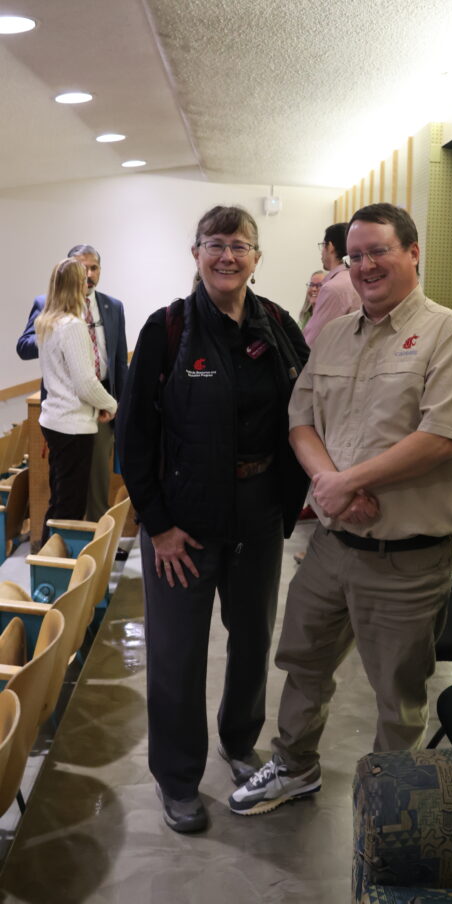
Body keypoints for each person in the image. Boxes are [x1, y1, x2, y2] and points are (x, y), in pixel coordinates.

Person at [229, 202, 452, 816]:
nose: (365, 265)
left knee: (396, 696)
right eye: (355, 255)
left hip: (406, 560)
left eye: (379, 251)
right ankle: (294, 766)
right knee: (303, 664)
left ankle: (392, 807)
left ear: (413, 253)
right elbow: (301, 416)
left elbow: (442, 435)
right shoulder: (338, 331)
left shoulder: (451, 333)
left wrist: (347, 482)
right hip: (333, 547)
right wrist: (331, 483)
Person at [116, 205, 309, 835]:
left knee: (253, 639)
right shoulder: (167, 330)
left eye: (240, 246)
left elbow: (307, 413)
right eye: (215, 244)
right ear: (195, 253)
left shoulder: (279, 327)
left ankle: (238, 739)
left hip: (258, 515)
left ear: (258, 257)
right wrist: (158, 525)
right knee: (176, 655)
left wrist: (291, 500)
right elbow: (134, 438)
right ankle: (177, 780)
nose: (228, 256)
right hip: (182, 525)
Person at [17, 244, 128, 521]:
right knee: (69, 497)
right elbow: (25, 347)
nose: (88, 275)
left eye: (93, 268)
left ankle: (91, 545)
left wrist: (118, 405)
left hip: (95, 402)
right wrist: (57, 332)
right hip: (72, 407)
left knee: (90, 484)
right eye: (82, 269)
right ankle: (66, 555)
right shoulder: (55, 313)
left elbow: (118, 360)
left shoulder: (111, 306)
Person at [35, 258, 118, 543]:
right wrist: (111, 404)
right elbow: (85, 383)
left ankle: (46, 559)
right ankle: (57, 572)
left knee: (58, 500)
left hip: (53, 420)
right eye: (84, 279)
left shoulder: (46, 322)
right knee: (70, 507)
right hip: (72, 425)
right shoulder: (73, 326)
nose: (88, 283)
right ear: (76, 285)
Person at [302, 222, 360, 346]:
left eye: (323, 246)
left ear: (331, 246)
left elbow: (312, 341)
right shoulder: (356, 279)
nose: (321, 252)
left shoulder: (333, 288)